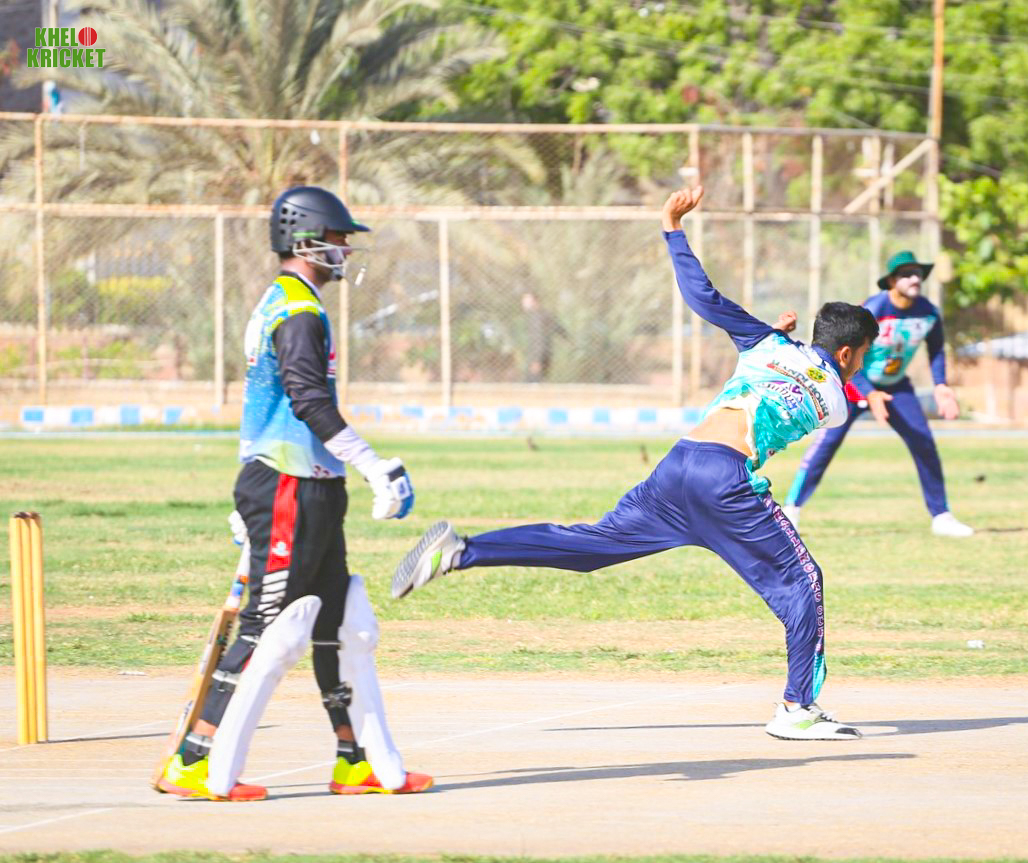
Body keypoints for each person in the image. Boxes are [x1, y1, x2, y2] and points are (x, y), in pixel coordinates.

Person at [390, 185, 878, 740]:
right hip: (726, 484)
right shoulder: (837, 402)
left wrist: (673, 228)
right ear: (846, 354)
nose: (864, 365)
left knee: (588, 546)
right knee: (803, 582)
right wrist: (789, 346)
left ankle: (462, 550)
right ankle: (796, 709)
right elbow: (816, 382)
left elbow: (705, 298)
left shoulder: (767, 344)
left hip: (678, 467)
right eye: (864, 355)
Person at [156, 186, 433, 801]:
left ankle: (354, 760)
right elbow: (306, 399)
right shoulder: (297, 311)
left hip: (305, 486)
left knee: (341, 623)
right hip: (287, 487)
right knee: (266, 628)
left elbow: (274, 401)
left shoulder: (285, 301)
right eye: (337, 239)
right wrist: (372, 465)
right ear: (305, 240)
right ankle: (195, 761)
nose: (345, 250)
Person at [781, 250, 974, 538]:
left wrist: (941, 384)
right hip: (854, 382)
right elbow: (847, 356)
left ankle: (941, 516)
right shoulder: (873, 310)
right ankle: (791, 510)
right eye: (907, 274)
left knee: (924, 443)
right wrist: (869, 393)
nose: (915, 279)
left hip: (895, 385)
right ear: (892, 281)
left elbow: (936, 350)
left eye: (918, 274)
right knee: (827, 443)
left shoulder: (928, 313)